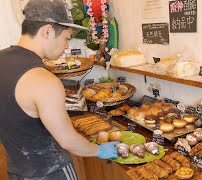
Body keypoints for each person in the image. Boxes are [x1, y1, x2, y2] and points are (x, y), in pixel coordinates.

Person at [0, 0, 119, 179]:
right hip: (51, 172)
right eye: (66, 38)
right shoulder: (43, 79)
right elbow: (68, 140)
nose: (66, 47)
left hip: (17, 171)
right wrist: (98, 150)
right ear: (47, 31)